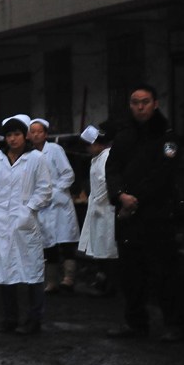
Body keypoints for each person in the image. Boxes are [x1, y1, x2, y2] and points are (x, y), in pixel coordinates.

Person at [104, 84, 184, 342]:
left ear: (156, 104)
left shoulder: (167, 138)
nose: (140, 107)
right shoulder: (124, 136)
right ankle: (136, 323)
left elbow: (163, 175)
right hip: (129, 217)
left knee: (165, 274)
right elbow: (112, 168)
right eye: (135, 102)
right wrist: (120, 194)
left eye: (145, 101)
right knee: (131, 274)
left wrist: (135, 199)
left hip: (157, 215)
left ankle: (176, 325)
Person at [0, 114, 52, 335]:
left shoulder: (35, 159)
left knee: (31, 271)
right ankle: (10, 318)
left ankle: (34, 319)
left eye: (17, 134)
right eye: (9, 135)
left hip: (25, 222)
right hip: (2, 222)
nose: (12, 139)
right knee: (5, 270)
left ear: (25, 136)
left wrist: (28, 209)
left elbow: (44, 190)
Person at [28, 118, 80, 292]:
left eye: (39, 131)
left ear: (46, 134)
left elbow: (68, 174)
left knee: (66, 243)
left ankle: (68, 278)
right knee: (48, 244)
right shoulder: (28, 155)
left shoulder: (55, 150)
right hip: (42, 206)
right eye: (33, 131)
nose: (36, 134)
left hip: (59, 204)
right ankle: (51, 281)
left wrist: (54, 192)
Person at [76, 122, 117, 296]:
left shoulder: (106, 157)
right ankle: (104, 280)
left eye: (89, 144)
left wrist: (97, 201)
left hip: (106, 208)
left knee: (108, 246)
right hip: (99, 208)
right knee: (101, 246)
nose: (87, 149)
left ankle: (110, 284)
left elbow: (106, 184)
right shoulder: (97, 159)